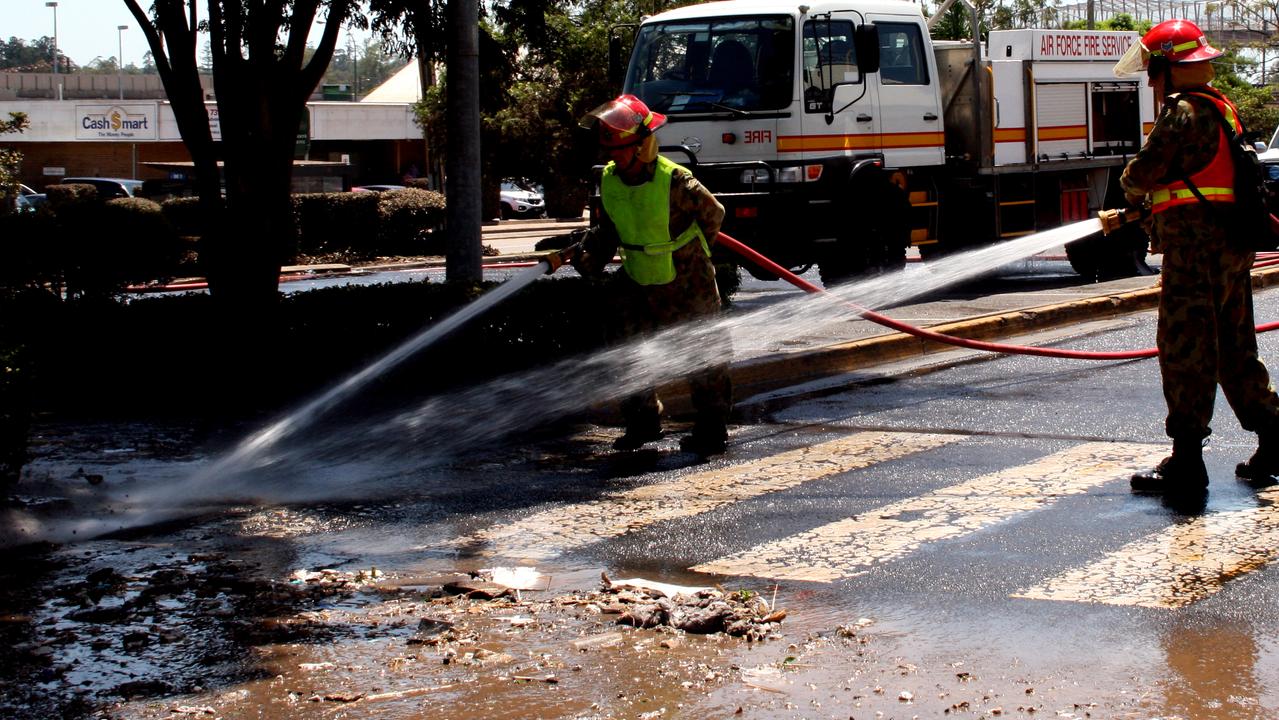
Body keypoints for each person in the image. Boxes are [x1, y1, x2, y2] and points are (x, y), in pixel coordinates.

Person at [1114, 19, 1279, 492]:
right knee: (1235, 350)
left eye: (1152, 67)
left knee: (1186, 350)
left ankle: (1187, 461)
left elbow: (1143, 173)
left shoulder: (1182, 112)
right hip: (1230, 248)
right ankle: (1274, 436)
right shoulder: (1222, 107)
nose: (1149, 78)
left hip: (1193, 252)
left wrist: (1129, 188)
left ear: (1167, 64)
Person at [573, 94, 733, 456]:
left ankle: (711, 426)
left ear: (643, 145)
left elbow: (714, 214)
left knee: (702, 351)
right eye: (610, 150)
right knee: (626, 348)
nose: (614, 156)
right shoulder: (610, 181)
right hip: (638, 276)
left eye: (622, 149)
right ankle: (643, 422)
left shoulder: (675, 181)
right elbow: (609, 230)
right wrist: (589, 256)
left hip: (686, 279)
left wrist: (693, 258)